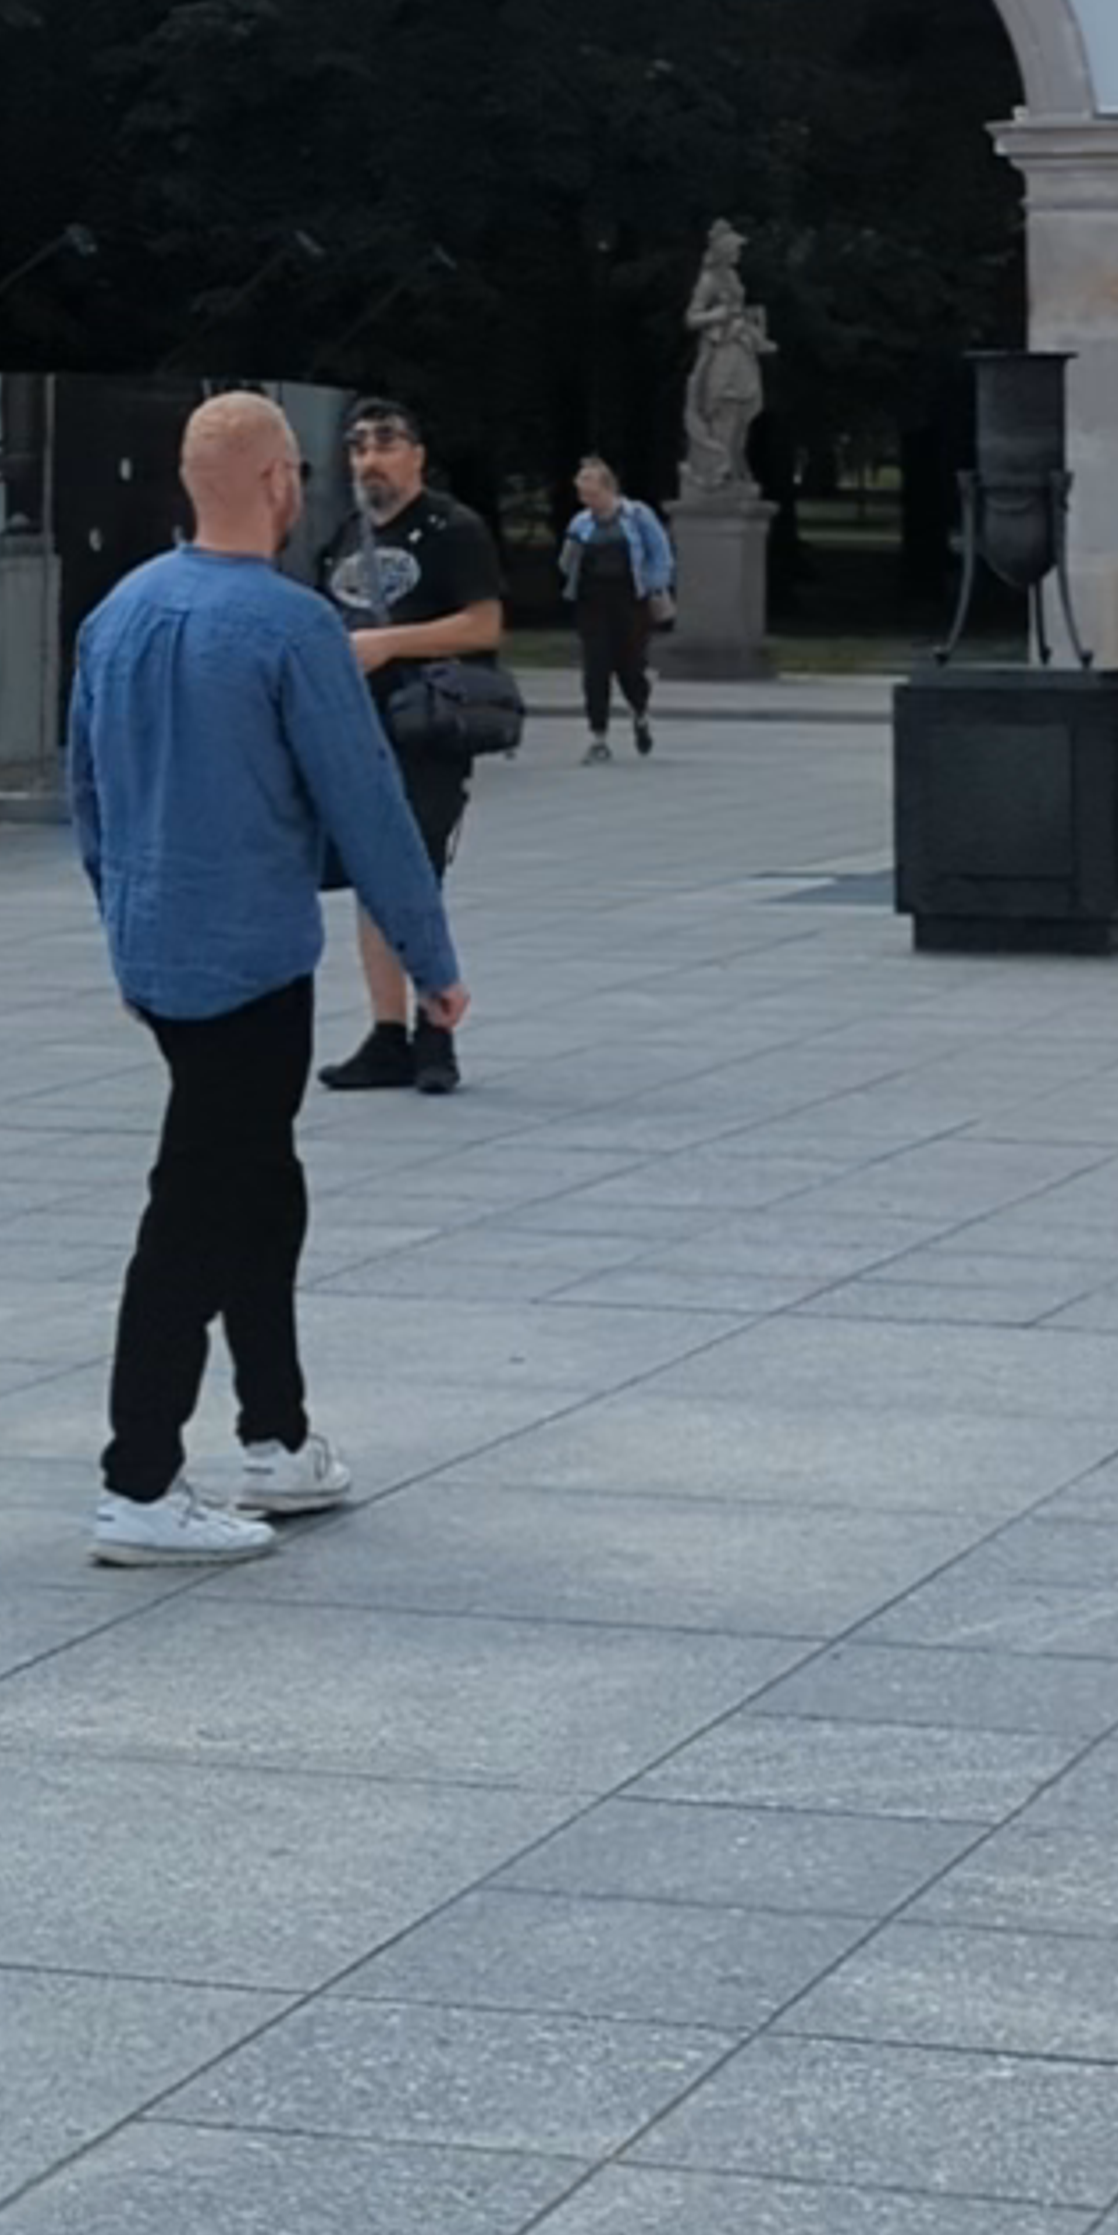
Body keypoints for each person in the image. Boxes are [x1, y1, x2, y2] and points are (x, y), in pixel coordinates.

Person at [68, 387, 461, 1559]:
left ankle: (276, 1433)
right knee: (198, 1196)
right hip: (250, 958)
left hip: (159, 947)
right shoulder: (290, 626)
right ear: (281, 481)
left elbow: (87, 798)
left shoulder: (119, 612)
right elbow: (368, 803)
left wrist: (123, 912)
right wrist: (431, 957)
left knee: (255, 1176)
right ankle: (138, 1477)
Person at [315, 397, 506, 1095]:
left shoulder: (452, 529)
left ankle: (437, 1031)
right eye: (359, 445)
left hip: (426, 727)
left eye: (386, 442)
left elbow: (483, 624)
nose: (371, 457)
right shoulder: (343, 535)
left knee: (413, 874)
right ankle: (386, 1030)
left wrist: (387, 643)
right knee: (370, 876)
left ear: (417, 455)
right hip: (353, 731)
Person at [558, 452, 674, 763]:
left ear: (608, 489)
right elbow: (566, 563)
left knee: (630, 667)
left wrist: (655, 586)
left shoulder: (636, 516)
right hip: (592, 603)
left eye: (592, 493)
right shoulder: (581, 523)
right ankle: (599, 736)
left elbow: (660, 553)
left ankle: (639, 713)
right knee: (595, 669)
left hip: (630, 602)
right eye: (583, 494)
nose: (587, 500)